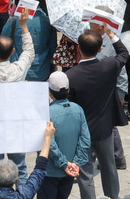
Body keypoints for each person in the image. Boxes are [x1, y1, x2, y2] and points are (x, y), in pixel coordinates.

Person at [64, 23, 127, 199]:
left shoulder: (71, 76)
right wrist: (110, 33)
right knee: (109, 167)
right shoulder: (108, 66)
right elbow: (124, 53)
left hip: (82, 132)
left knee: (85, 173)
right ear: (100, 49)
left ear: (79, 48)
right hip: (105, 128)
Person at [39, 71, 88, 199]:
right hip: (70, 171)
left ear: (50, 92)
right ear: (68, 89)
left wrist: (63, 163)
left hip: (50, 171)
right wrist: (75, 163)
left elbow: (50, 143)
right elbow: (85, 140)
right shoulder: (78, 109)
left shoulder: (47, 113)